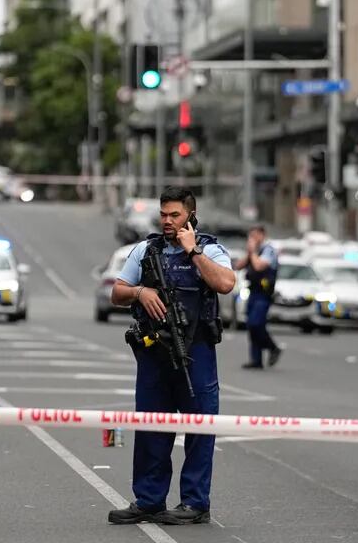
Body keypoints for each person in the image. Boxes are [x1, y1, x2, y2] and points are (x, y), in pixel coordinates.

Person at [108, 187, 236, 526]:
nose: (167, 220)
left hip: (196, 351)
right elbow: (116, 292)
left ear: (190, 216)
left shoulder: (210, 249)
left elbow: (225, 283)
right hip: (154, 352)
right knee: (150, 427)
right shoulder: (145, 250)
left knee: (199, 428)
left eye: (174, 215)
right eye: (164, 214)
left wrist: (192, 252)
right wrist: (140, 291)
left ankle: (195, 503)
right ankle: (149, 500)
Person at [235, 225, 283, 369]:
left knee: (256, 323)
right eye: (251, 236)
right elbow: (238, 266)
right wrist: (249, 252)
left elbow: (259, 266)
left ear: (262, 235)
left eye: (255, 236)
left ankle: (273, 347)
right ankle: (256, 360)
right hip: (253, 292)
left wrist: (253, 252)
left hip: (264, 294)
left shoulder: (268, 250)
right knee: (251, 325)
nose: (253, 239)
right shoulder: (253, 252)